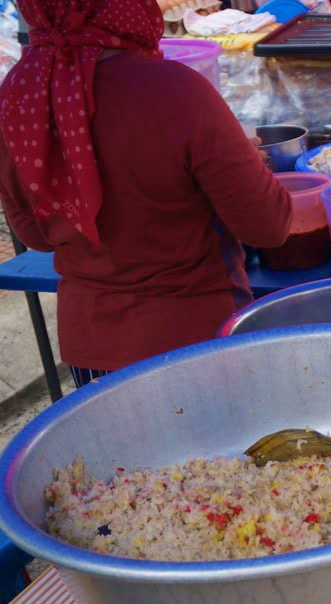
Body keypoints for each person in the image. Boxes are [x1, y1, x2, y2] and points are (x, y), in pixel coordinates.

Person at [0, 0, 292, 388]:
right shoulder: (174, 89)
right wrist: (247, 159)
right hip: (196, 343)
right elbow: (268, 226)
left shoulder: (17, 98)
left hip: (91, 350)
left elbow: (37, 236)